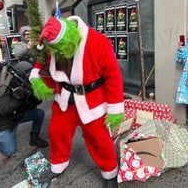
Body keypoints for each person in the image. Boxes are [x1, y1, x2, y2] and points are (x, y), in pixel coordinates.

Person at [30, 16, 124, 188]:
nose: (60, 53)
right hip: (64, 99)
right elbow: (41, 59)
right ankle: (58, 165)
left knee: (100, 140)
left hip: (92, 101)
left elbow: (113, 76)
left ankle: (110, 172)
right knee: (56, 132)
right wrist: (36, 76)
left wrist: (115, 108)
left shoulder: (98, 42)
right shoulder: (53, 43)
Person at [0, 61, 48, 156]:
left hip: (18, 115)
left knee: (39, 113)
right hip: (5, 121)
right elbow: (3, 110)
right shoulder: (5, 84)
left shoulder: (27, 83)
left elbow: (35, 103)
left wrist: (35, 95)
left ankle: (34, 138)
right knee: (10, 151)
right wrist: (17, 99)